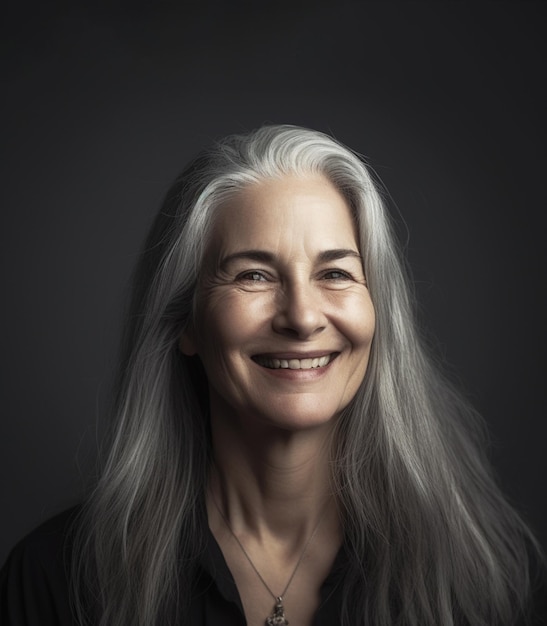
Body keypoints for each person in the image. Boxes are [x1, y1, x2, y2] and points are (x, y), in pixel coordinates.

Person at [1, 124, 545, 626]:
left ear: (380, 315)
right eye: (254, 275)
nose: (303, 318)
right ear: (185, 320)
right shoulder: (55, 581)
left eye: (335, 273)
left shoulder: (487, 576)